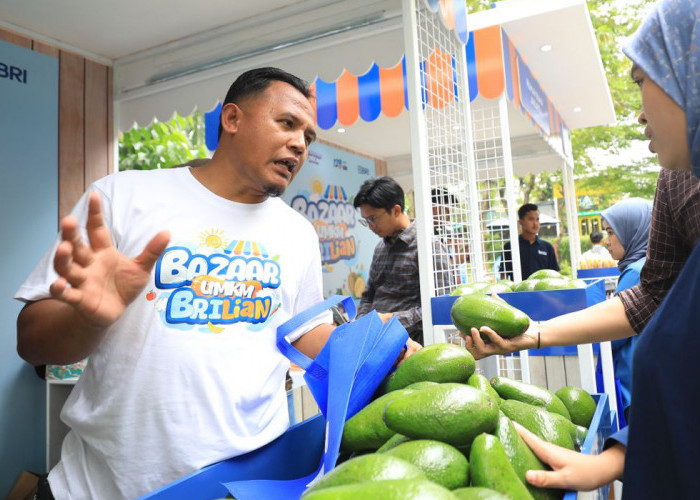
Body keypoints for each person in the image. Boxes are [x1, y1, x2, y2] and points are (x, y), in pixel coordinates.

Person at [14, 68, 418, 500]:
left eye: (308, 136)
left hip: (241, 486)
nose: (300, 143)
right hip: (103, 488)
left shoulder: (297, 232)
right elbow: (31, 343)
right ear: (232, 119)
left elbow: (306, 331)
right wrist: (89, 320)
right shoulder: (123, 197)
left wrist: (395, 352)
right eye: (286, 123)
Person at [463, 0, 700, 495]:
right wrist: (532, 334)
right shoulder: (676, 182)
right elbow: (651, 296)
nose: (637, 112)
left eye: (640, 80)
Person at [354, 177, 453, 344]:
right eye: (366, 220)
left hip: (413, 346)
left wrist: (392, 320)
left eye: (373, 218)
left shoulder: (429, 247)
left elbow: (443, 304)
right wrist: (362, 323)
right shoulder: (380, 248)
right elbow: (369, 295)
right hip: (375, 341)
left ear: (396, 210)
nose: (370, 226)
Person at [596, 198, 652, 423]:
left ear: (633, 231)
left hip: (633, 385)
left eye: (611, 232)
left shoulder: (635, 273)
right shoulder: (649, 264)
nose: (607, 241)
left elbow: (614, 334)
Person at [500, 203, 560, 280]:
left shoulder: (547, 247)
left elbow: (555, 274)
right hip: (518, 290)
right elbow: (503, 274)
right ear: (520, 222)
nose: (535, 224)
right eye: (531, 219)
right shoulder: (510, 247)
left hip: (543, 291)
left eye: (537, 219)